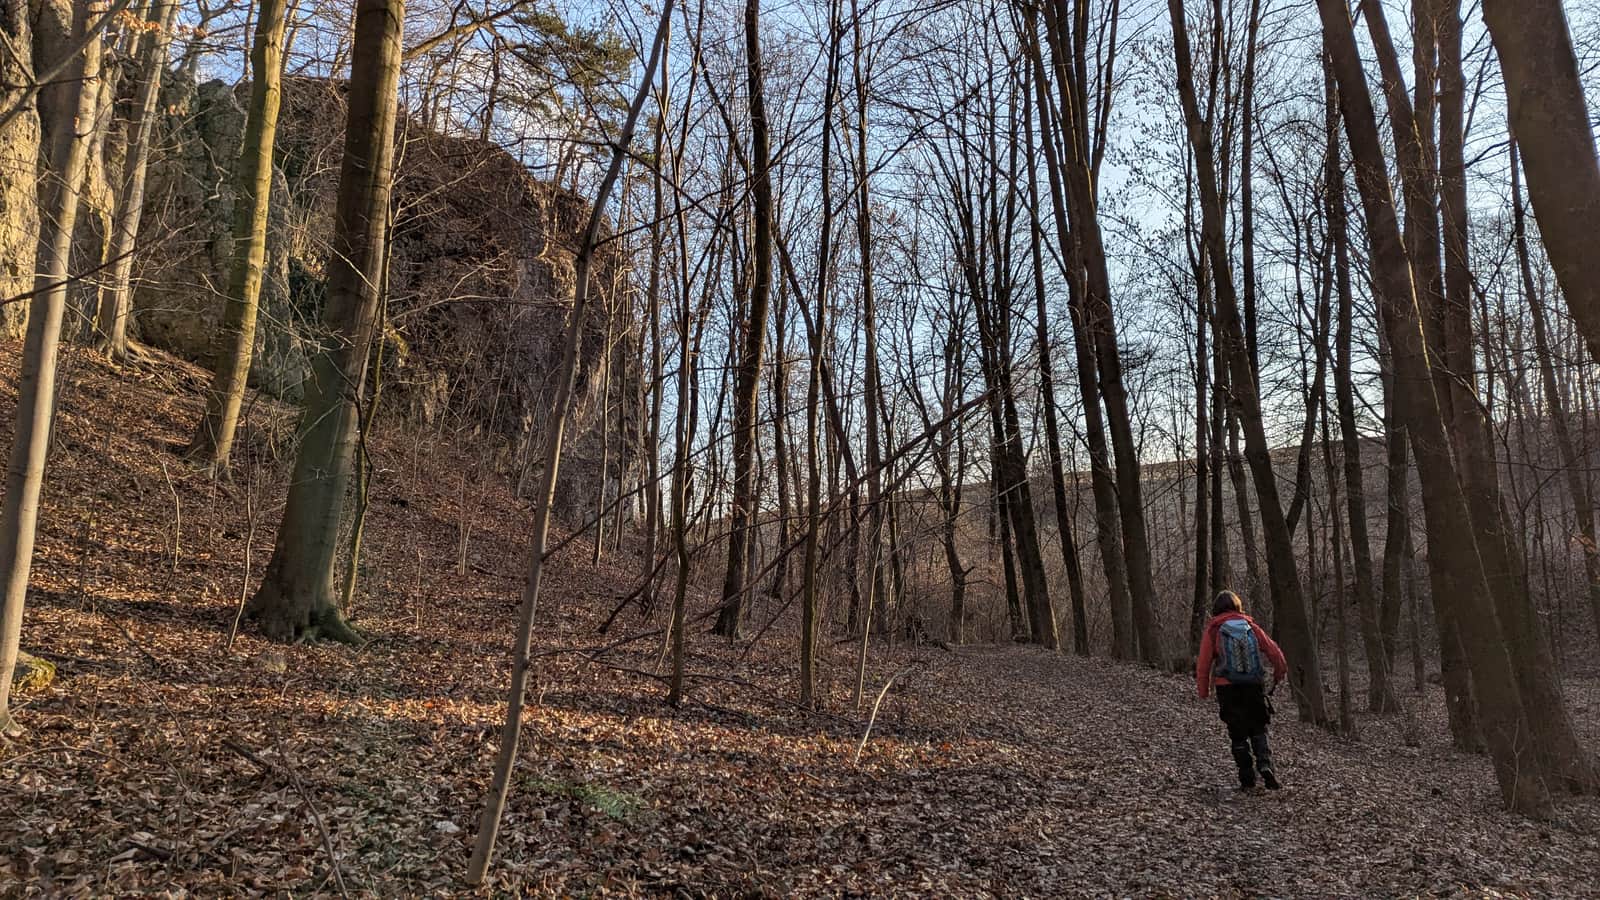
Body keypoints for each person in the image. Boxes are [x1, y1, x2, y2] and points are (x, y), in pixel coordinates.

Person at [1196, 590, 1287, 790]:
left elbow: (1203, 664)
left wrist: (1203, 691)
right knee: (1258, 727)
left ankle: (1247, 778)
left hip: (1227, 688)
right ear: (1238, 606)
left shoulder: (1213, 629)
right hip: (1254, 685)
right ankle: (1265, 764)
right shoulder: (1251, 627)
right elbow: (1274, 652)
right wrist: (1279, 674)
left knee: (1237, 732)